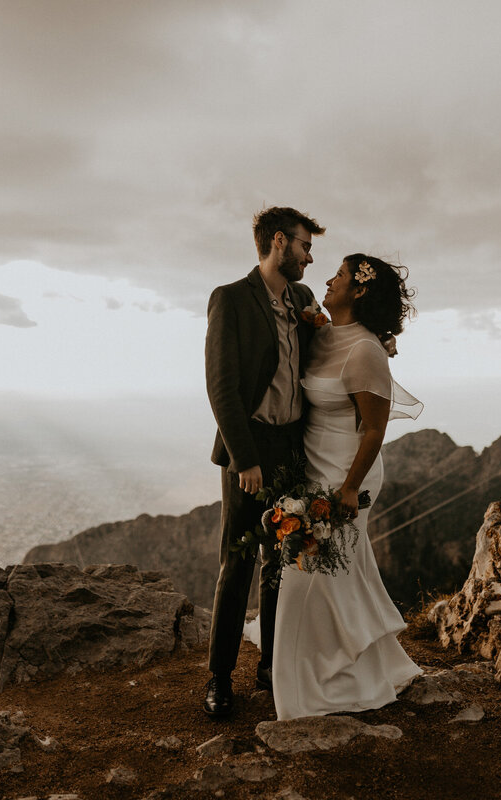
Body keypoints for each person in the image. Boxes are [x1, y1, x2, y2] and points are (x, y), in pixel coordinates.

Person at [272, 254, 423, 720]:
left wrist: (349, 489)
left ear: (359, 290)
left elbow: (375, 431)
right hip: (312, 466)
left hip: (346, 475)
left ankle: (308, 694)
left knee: (306, 580)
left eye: (338, 275)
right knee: (337, 579)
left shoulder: (365, 352)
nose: (329, 280)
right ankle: (356, 671)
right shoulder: (323, 333)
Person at [203, 206, 325, 718]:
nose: (310, 257)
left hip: (291, 450)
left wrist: (379, 339)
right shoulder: (230, 299)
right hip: (249, 451)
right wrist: (243, 459)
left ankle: (271, 667)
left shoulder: (301, 298)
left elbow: (326, 346)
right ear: (279, 242)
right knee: (239, 562)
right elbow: (221, 388)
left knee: (279, 563)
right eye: (304, 245)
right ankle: (219, 678)